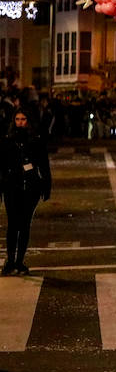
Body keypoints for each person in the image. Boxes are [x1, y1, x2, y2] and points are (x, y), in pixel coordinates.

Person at [1, 109, 52, 276]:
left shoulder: (36, 141)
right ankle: (10, 261)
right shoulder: (7, 141)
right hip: (12, 187)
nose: (20, 122)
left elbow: (44, 165)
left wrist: (46, 186)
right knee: (12, 225)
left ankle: (19, 261)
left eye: (23, 119)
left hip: (31, 188)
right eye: (17, 119)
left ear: (28, 121)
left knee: (24, 225)